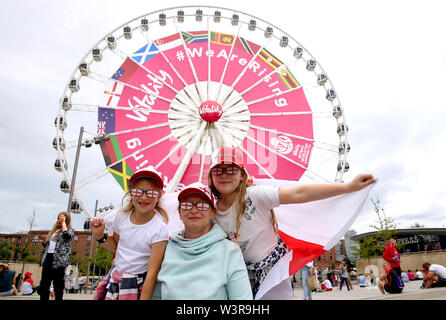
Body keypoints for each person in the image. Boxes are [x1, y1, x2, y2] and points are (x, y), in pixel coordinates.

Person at [207, 147, 376, 299]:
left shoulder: (255, 195)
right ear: (211, 176)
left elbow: (299, 193)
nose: (224, 174)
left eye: (230, 169)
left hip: (272, 270)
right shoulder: (209, 211)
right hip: (239, 275)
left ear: (241, 174)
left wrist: (348, 187)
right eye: (217, 170)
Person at [147, 182, 252, 300]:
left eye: (202, 205)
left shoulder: (229, 251)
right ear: (180, 213)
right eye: (187, 205)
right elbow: (156, 295)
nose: (194, 210)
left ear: (213, 213)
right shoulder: (167, 248)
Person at [91, 166, 169, 300]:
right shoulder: (120, 216)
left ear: (159, 196)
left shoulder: (159, 228)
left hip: (138, 284)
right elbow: (116, 246)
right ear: (131, 193)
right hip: (115, 281)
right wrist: (100, 236)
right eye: (138, 191)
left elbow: (152, 272)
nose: (144, 197)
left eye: (150, 193)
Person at [40, 211, 74, 301]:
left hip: (59, 259)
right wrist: (44, 240)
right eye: (59, 217)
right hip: (48, 257)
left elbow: (67, 236)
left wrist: (63, 223)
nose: (60, 218)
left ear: (66, 219)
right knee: (44, 283)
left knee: (58, 283)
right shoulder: (53, 231)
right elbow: (46, 245)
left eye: (62, 217)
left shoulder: (69, 230)